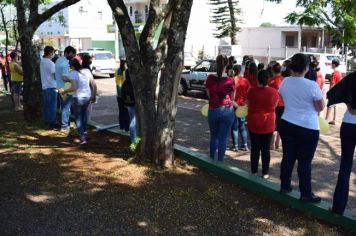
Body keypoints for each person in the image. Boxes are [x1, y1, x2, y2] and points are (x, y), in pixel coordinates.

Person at [279, 53, 325, 203]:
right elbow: (320, 107)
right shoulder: (312, 85)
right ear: (306, 67)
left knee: (288, 157)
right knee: (304, 162)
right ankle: (305, 193)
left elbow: (284, 97)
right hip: (308, 127)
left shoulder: (285, 81)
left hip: (287, 122)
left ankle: (285, 186)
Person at [331, 72, 356, 215]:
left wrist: (349, 104)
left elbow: (335, 92)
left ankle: (338, 208)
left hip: (348, 124)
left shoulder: (351, 78)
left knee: (345, 167)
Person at [246, 70, 279, 179]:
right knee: (265, 149)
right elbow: (275, 106)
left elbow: (247, 104)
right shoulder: (274, 92)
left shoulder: (251, 91)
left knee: (255, 148)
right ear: (268, 79)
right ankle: (265, 172)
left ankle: (254, 171)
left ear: (257, 79)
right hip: (268, 123)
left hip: (254, 122)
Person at [205, 55, 235, 162]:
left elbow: (208, 95)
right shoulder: (230, 80)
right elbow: (232, 98)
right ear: (227, 64)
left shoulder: (210, 78)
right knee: (223, 138)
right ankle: (220, 162)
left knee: (214, 136)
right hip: (227, 110)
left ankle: (212, 159)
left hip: (213, 109)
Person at [60, 58, 91, 145]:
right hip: (87, 96)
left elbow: (74, 87)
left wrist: (64, 91)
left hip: (78, 97)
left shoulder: (73, 73)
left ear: (72, 66)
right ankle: (84, 132)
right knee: (84, 115)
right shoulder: (85, 72)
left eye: (70, 65)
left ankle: (82, 138)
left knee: (78, 118)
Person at [55, 46, 77, 132]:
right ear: (68, 53)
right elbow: (64, 78)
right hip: (65, 88)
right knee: (65, 107)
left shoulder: (59, 60)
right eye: (73, 54)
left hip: (60, 87)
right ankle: (64, 126)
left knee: (64, 107)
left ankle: (66, 124)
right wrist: (73, 80)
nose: (74, 56)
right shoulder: (64, 63)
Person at [231, 64, 250, 152]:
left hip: (235, 105)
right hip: (242, 106)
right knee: (242, 126)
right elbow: (249, 94)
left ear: (234, 71)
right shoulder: (246, 81)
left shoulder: (233, 80)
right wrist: (245, 104)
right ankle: (245, 146)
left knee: (234, 126)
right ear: (241, 71)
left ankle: (235, 146)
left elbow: (231, 95)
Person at [121, 69, 140, 151]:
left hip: (128, 104)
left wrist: (125, 103)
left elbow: (122, 94)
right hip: (135, 104)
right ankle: (134, 143)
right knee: (134, 122)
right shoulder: (135, 83)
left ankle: (133, 141)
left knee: (132, 121)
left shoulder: (125, 83)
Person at [40, 46, 58, 128]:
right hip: (51, 86)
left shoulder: (42, 61)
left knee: (47, 105)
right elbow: (55, 76)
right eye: (53, 52)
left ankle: (47, 122)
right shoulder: (50, 63)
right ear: (50, 52)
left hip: (45, 86)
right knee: (52, 106)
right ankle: (52, 122)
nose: (54, 54)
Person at [268, 62, 284, 150]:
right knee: (280, 125)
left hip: (274, 105)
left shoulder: (271, 80)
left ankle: (272, 145)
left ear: (272, 70)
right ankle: (278, 144)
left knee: (274, 124)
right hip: (283, 105)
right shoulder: (284, 79)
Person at [81, 54, 97, 123]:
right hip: (88, 91)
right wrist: (94, 94)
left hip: (81, 92)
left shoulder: (80, 68)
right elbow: (93, 83)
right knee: (88, 109)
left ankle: (84, 122)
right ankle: (87, 122)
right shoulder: (87, 70)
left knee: (82, 110)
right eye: (90, 59)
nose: (91, 60)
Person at [325, 59, 342, 125]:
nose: (331, 65)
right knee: (335, 106)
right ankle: (334, 120)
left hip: (334, 92)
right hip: (338, 91)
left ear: (334, 65)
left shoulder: (334, 73)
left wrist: (329, 93)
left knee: (329, 106)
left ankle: (326, 120)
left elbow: (332, 84)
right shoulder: (339, 72)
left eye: (331, 64)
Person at [115, 60, 129, 131]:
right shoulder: (125, 72)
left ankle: (122, 127)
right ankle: (127, 128)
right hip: (125, 94)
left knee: (121, 111)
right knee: (126, 112)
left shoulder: (117, 71)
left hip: (119, 94)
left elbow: (116, 81)